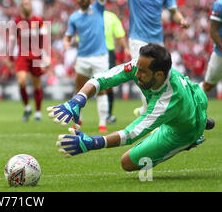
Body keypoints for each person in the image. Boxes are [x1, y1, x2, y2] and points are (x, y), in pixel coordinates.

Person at [48, 43, 213, 171]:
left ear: (159, 75)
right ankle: (196, 119)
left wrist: (93, 143)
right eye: (138, 68)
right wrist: (78, 100)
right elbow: (104, 78)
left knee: (127, 162)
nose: (136, 74)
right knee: (166, 113)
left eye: (142, 72)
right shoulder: (142, 66)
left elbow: (131, 134)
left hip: (184, 130)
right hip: (195, 96)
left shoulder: (168, 100)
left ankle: (193, 137)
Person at [106, 0, 189, 116]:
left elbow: (174, 11)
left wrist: (181, 20)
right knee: (143, 76)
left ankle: (146, 110)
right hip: (137, 39)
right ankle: (149, 115)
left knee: (163, 78)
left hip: (157, 41)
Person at [62, 0, 109, 132]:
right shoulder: (74, 17)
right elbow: (69, 34)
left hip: (100, 56)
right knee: (80, 90)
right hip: (83, 57)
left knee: (101, 90)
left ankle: (102, 124)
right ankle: (78, 121)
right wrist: (66, 42)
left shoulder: (98, 8)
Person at [9, 0, 47, 122]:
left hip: (36, 55)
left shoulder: (39, 21)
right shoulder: (17, 21)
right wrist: (10, 56)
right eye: (24, 4)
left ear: (31, 6)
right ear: (21, 7)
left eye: (28, 4)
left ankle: (37, 112)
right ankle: (27, 107)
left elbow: (44, 39)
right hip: (22, 55)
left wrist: (46, 56)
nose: (26, 6)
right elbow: (13, 39)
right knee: (21, 81)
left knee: (37, 84)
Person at [103, 10, 131, 124]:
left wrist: (125, 48)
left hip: (108, 52)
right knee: (82, 82)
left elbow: (119, 35)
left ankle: (108, 114)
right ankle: (78, 116)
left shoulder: (111, 17)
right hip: (90, 53)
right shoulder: (88, 15)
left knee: (108, 83)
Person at [202, 0, 222, 95]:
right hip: (220, 54)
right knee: (208, 85)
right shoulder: (220, 4)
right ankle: (190, 104)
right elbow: (213, 31)